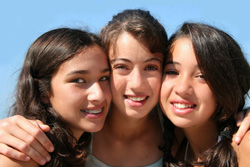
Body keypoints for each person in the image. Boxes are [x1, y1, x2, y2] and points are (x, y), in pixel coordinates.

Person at [0, 9, 250, 167]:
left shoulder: (177, 128)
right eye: (121, 67)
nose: (137, 84)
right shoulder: (79, 131)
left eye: (152, 68)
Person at [0, 28, 111, 167]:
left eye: (104, 78)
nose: (99, 95)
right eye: (78, 80)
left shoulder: (76, 152)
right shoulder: (25, 154)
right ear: (43, 92)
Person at [160, 22, 250, 167]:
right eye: (172, 72)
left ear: (226, 85)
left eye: (202, 76)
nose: (182, 88)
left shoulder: (244, 146)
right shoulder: (172, 144)